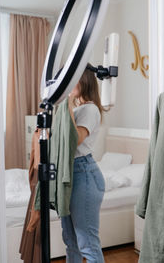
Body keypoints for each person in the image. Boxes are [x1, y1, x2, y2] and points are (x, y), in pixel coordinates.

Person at [62, 63, 107, 262]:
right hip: (70, 173)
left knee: (87, 244)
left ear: (85, 80)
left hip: (84, 174)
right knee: (71, 243)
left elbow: (75, 140)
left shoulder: (90, 110)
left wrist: (68, 102)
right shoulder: (78, 109)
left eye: (73, 78)